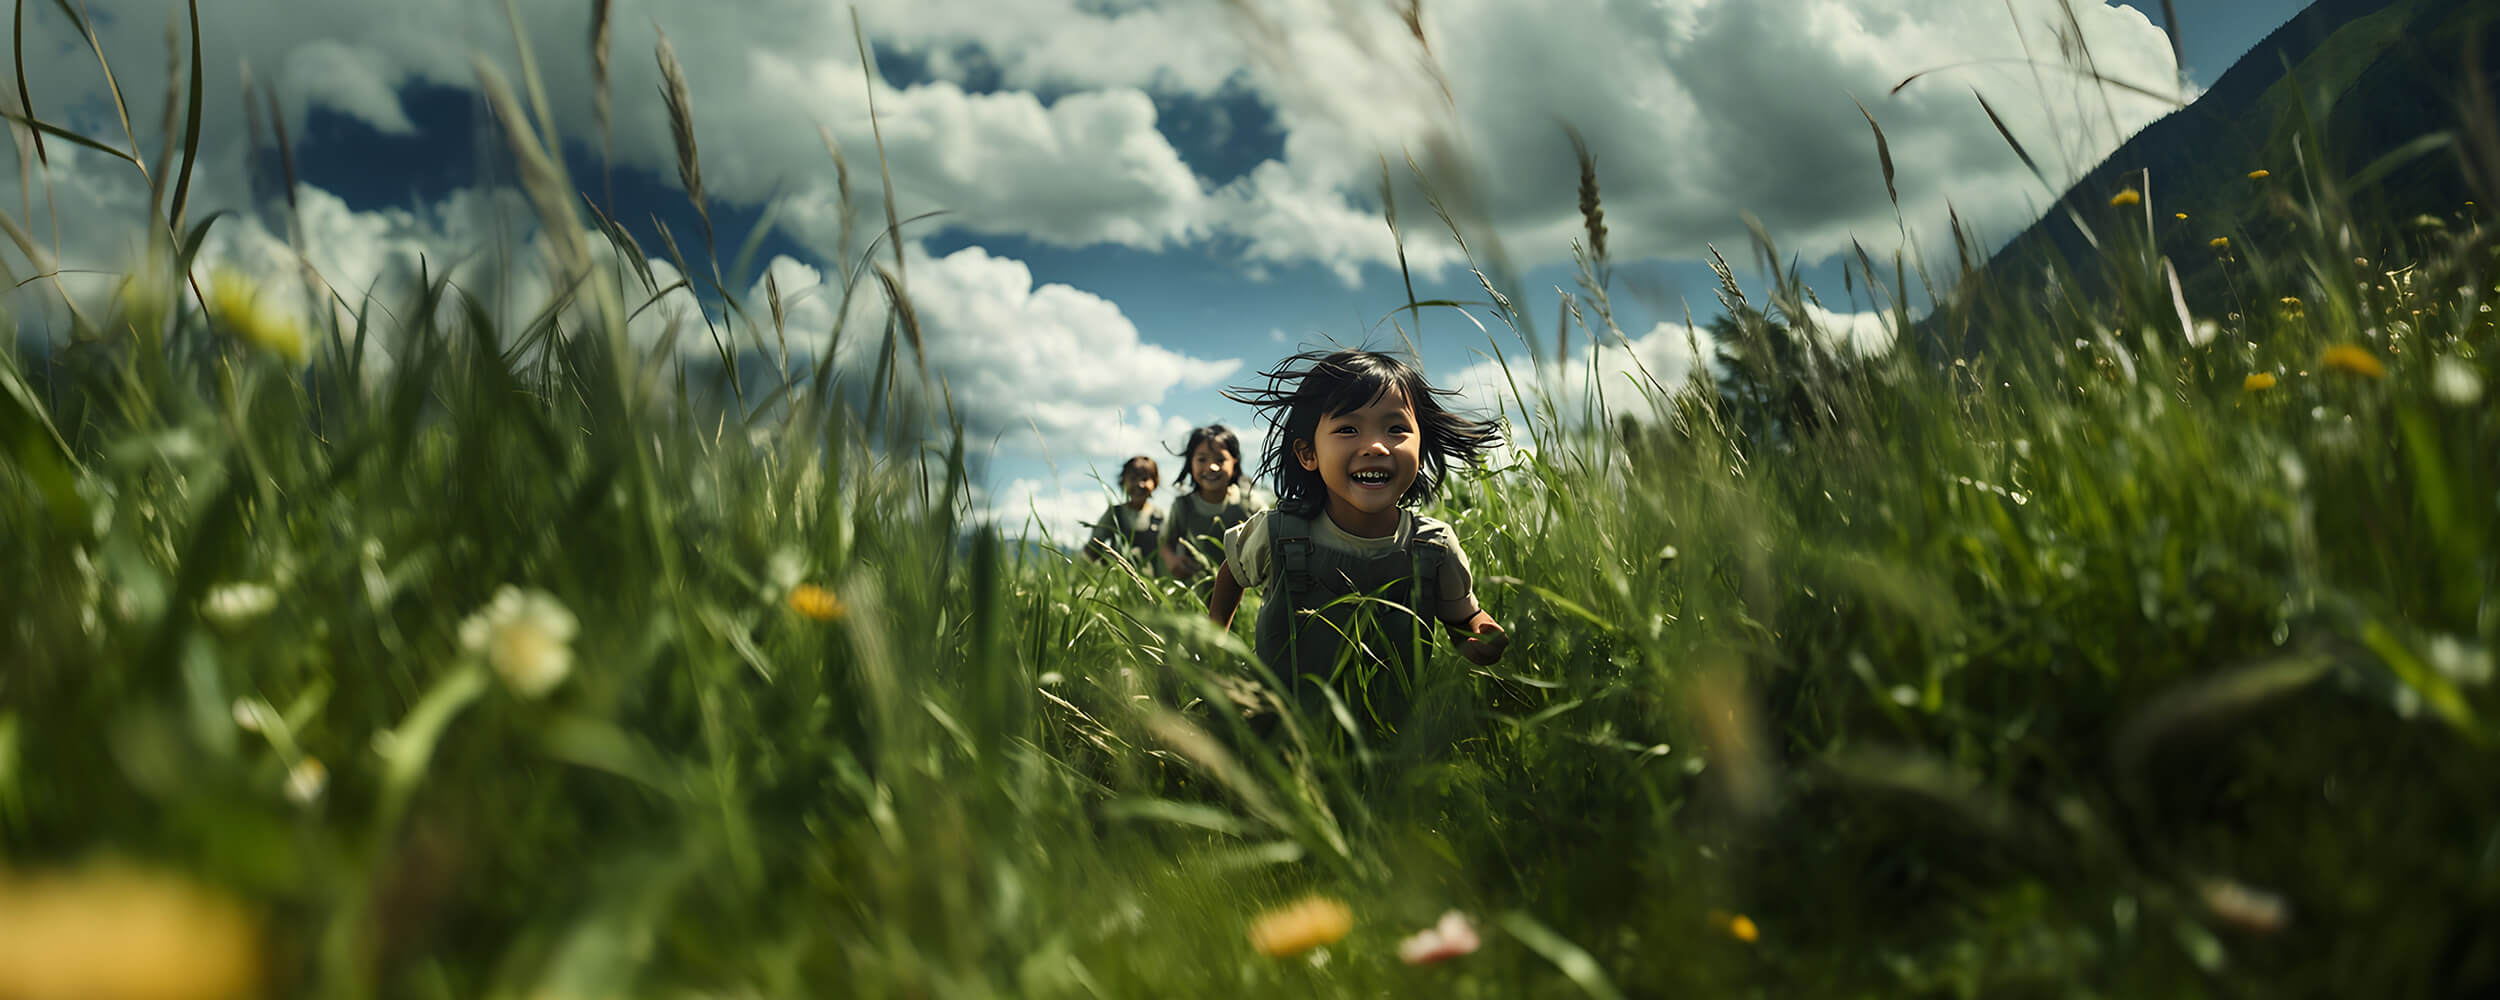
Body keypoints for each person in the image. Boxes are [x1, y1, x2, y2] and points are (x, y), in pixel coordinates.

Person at [1206, 349, 1507, 740]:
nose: (1376, 446)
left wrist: (1481, 634)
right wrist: (1214, 649)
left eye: (1396, 429)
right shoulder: (1278, 531)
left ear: (1421, 444)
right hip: (1280, 739)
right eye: (1349, 429)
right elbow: (1233, 572)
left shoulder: (1434, 547)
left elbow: (1462, 620)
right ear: (1308, 453)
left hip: (1388, 742)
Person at [1159, 424, 1260, 582]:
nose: (1212, 467)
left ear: (1235, 462)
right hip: (1196, 594)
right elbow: (1165, 544)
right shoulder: (1183, 506)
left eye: (1220, 460)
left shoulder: (1249, 502)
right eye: (1202, 459)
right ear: (1190, 462)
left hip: (1246, 593)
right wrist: (1173, 561)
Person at [1084, 455, 1164, 572]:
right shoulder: (1115, 514)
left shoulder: (1160, 515)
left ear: (1155, 482)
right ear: (1123, 481)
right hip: (1118, 580)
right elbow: (1092, 548)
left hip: (1152, 583)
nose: (1139, 484)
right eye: (1133, 478)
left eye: (1145, 479)